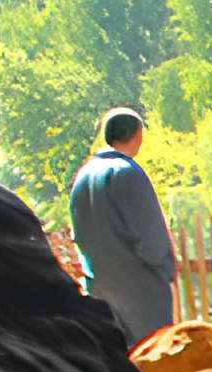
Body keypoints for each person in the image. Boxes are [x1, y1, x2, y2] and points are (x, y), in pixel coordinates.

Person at [65, 106, 177, 344]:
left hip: (100, 288)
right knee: (152, 363)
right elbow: (151, 236)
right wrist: (165, 269)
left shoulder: (83, 176)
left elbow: (79, 234)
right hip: (140, 291)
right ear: (137, 135)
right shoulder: (129, 173)